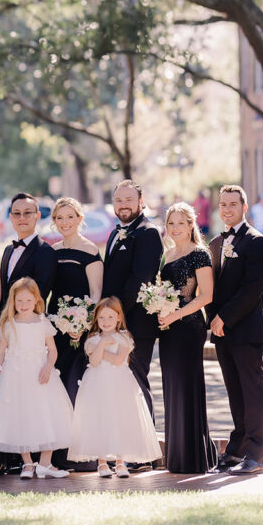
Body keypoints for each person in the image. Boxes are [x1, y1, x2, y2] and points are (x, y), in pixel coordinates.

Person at [208, 185, 263, 475]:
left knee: (252, 392)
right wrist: (213, 320)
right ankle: (238, 450)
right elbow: (211, 289)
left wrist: (223, 317)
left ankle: (257, 454)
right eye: (223, 204)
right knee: (235, 393)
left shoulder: (257, 242)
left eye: (233, 204)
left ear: (244, 207)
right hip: (222, 333)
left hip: (246, 332)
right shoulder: (214, 244)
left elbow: (251, 290)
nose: (227, 209)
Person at [0, 277, 72, 479]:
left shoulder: (42, 322)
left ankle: (45, 463)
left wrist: (48, 367)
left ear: (36, 300)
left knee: (47, 414)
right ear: (13, 302)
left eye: (27, 300)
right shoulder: (9, 324)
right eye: (19, 301)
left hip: (40, 374)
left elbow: (52, 350)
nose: (23, 305)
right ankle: (27, 463)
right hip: (15, 376)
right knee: (20, 415)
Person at [68, 297, 161, 477]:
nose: (106, 322)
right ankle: (102, 462)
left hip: (120, 384)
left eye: (110, 317)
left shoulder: (124, 336)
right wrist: (102, 345)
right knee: (100, 418)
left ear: (118, 317)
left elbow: (119, 360)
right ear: (96, 319)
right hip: (97, 384)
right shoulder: (94, 338)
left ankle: (120, 462)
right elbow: (93, 362)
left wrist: (100, 353)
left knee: (120, 418)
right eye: (101, 318)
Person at [156, 202, 217, 473]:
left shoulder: (200, 254)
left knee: (187, 385)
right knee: (172, 386)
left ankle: (192, 457)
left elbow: (206, 295)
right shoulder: (167, 255)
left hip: (189, 327)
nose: (175, 228)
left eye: (180, 223)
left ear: (191, 224)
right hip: (168, 329)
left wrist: (175, 314)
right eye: (171, 223)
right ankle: (177, 456)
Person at [101, 180, 163, 421]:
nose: (123, 205)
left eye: (128, 200)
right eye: (118, 200)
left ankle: (145, 453)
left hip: (136, 323)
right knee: (121, 385)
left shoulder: (148, 233)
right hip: (117, 322)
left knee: (137, 382)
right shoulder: (114, 234)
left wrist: (115, 316)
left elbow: (140, 279)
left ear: (141, 202)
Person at [47, 197, 103, 403]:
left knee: (74, 379)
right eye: (59, 218)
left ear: (79, 218)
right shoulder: (52, 251)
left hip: (80, 328)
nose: (65, 222)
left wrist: (82, 324)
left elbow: (96, 293)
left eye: (70, 217)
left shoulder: (90, 250)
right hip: (54, 323)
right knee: (55, 378)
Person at [0, 193, 56, 310]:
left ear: (37, 216)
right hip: (3, 324)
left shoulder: (46, 252)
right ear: (11, 217)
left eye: (27, 213)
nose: (22, 218)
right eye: (17, 213)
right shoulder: (8, 250)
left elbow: (40, 294)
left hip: (29, 324)